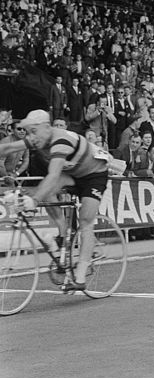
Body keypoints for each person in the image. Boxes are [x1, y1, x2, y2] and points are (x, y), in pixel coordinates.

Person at [14, 110, 109, 292]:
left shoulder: (64, 140)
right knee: (47, 190)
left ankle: (80, 275)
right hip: (73, 175)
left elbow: (55, 171)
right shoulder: (41, 143)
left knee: (86, 222)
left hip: (94, 175)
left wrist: (33, 200)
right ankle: (63, 234)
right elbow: (9, 149)